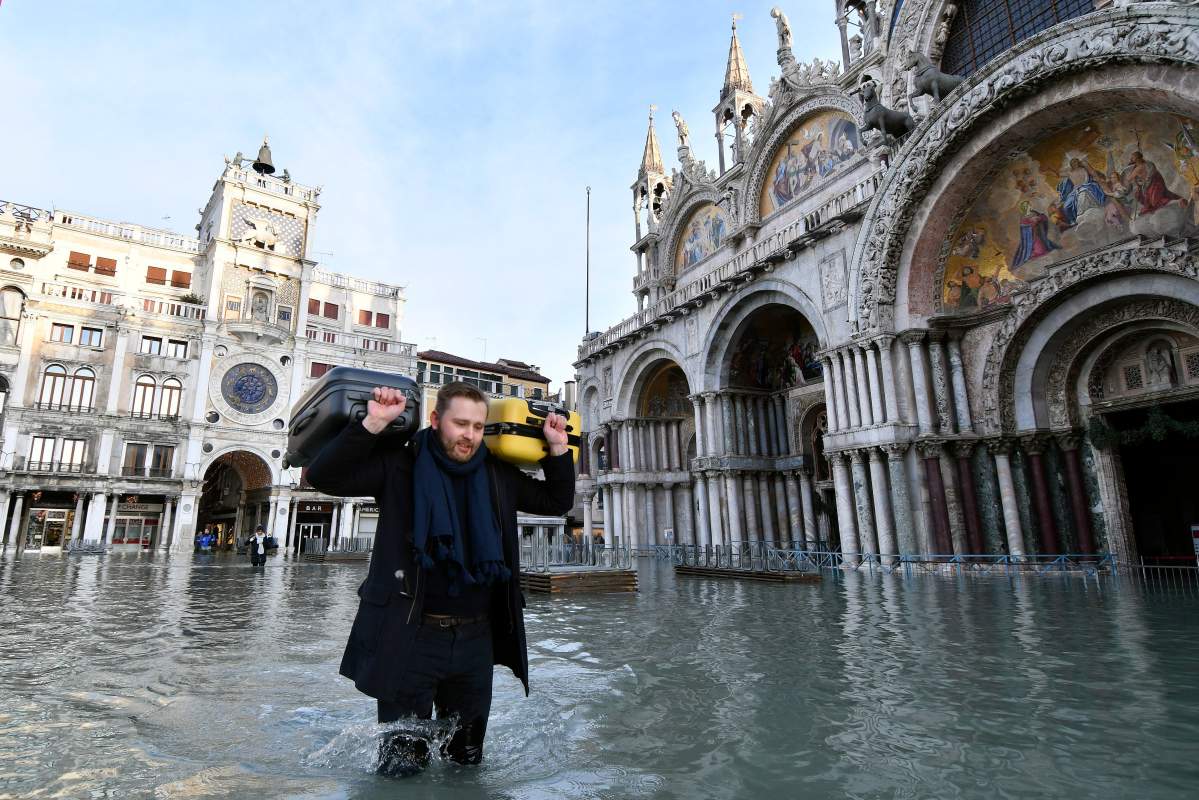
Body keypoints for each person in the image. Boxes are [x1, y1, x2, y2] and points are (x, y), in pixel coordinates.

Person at [306, 381, 575, 777]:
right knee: (401, 767)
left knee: (466, 763)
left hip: (476, 643)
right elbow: (324, 477)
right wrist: (373, 423)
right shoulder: (400, 465)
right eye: (460, 424)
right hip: (410, 638)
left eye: (478, 427)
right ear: (435, 420)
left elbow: (556, 502)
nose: (469, 435)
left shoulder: (499, 474)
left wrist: (557, 448)